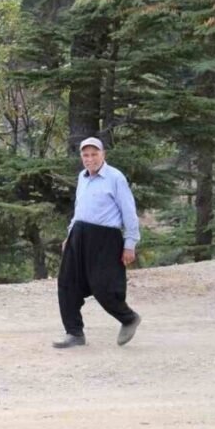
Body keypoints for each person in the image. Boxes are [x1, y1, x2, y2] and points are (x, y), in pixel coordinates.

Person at [54, 137, 142, 349]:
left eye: (94, 154)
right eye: (86, 155)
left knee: (104, 286)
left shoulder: (115, 178)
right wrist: (69, 235)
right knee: (67, 283)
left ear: (103, 155)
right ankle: (74, 333)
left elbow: (129, 212)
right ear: (81, 157)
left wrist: (130, 243)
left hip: (105, 238)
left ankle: (128, 318)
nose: (90, 159)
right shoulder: (82, 177)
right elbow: (79, 208)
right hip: (79, 234)